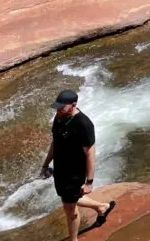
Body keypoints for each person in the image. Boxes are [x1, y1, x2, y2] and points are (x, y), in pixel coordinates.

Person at [40, 91, 115, 241]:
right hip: (60, 169)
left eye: (62, 107)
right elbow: (55, 143)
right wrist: (46, 164)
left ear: (73, 105)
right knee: (68, 199)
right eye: (57, 107)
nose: (58, 110)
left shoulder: (83, 124)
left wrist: (89, 182)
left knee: (70, 208)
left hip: (75, 172)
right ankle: (102, 207)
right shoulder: (59, 117)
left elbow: (90, 155)